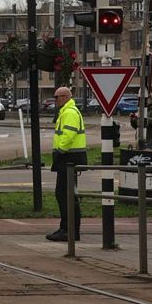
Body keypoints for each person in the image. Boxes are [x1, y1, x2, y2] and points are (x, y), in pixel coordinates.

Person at [47, 86, 87, 242]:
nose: (55, 100)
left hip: (69, 158)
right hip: (69, 158)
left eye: (56, 97)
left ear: (64, 97)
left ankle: (68, 230)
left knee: (65, 195)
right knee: (66, 194)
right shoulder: (66, 112)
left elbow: (68, 135)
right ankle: (67, 228)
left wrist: (60, 150)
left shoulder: (69, 113)